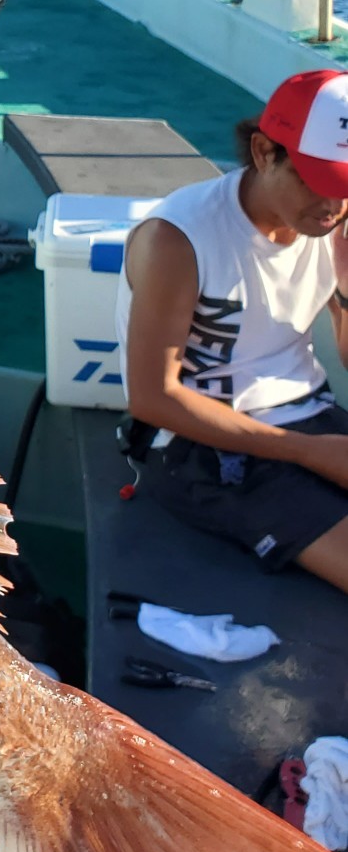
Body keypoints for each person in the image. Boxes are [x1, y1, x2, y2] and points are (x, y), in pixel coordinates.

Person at [118, 68, 348, 591]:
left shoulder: (333, 224)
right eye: (320, 181)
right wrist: (312, 453)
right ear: (265, 152)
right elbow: (154, 398)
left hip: (311, 413)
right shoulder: (180, 239)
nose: (334, 205)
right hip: (199, 443)